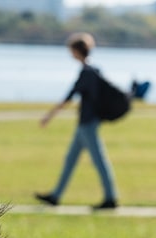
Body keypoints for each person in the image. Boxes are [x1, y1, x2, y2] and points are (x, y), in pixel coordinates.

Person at [35, 32, 119, 210]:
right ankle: (56, 195)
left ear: (77, 51)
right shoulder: (94, 71)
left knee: (99, 160)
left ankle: (110, 198)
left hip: (88, 123)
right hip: (85, 123)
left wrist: (49, 116)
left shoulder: (87, 73)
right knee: (70, 160)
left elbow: (69, 97)